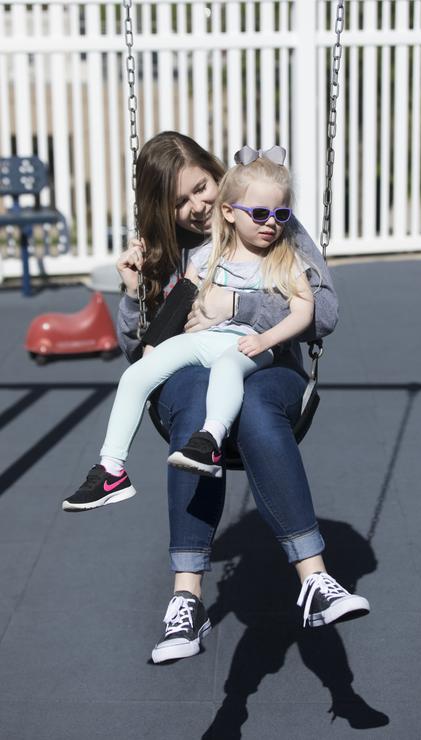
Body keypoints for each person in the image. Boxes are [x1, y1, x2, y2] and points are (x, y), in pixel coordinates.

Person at [65, 132, 370, 663]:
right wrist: (132, 292)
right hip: (190, 367)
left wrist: (239, 303)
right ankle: (186, 599)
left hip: (269, 365)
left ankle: (315, 579)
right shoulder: (170, 249)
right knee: (189, 400)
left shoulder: (271, 219)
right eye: (180, 201)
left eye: (202, 188)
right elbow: (139, 350)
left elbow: (323, 314)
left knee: (251, 405)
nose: (196, 207)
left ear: (220, 181)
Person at [62, 148, 315, 489]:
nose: (271, 221)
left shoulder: (283, 256)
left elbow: (309, 309)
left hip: (250, 343)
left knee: (227, 369)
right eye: (258, 213)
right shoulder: (208, 254)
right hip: (204, 340)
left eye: (281, 213)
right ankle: (111, 468)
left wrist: (264, 336)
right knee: (136, 375)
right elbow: (182, 296)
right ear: (230, 212)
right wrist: (151, 347)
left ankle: (209, 440)